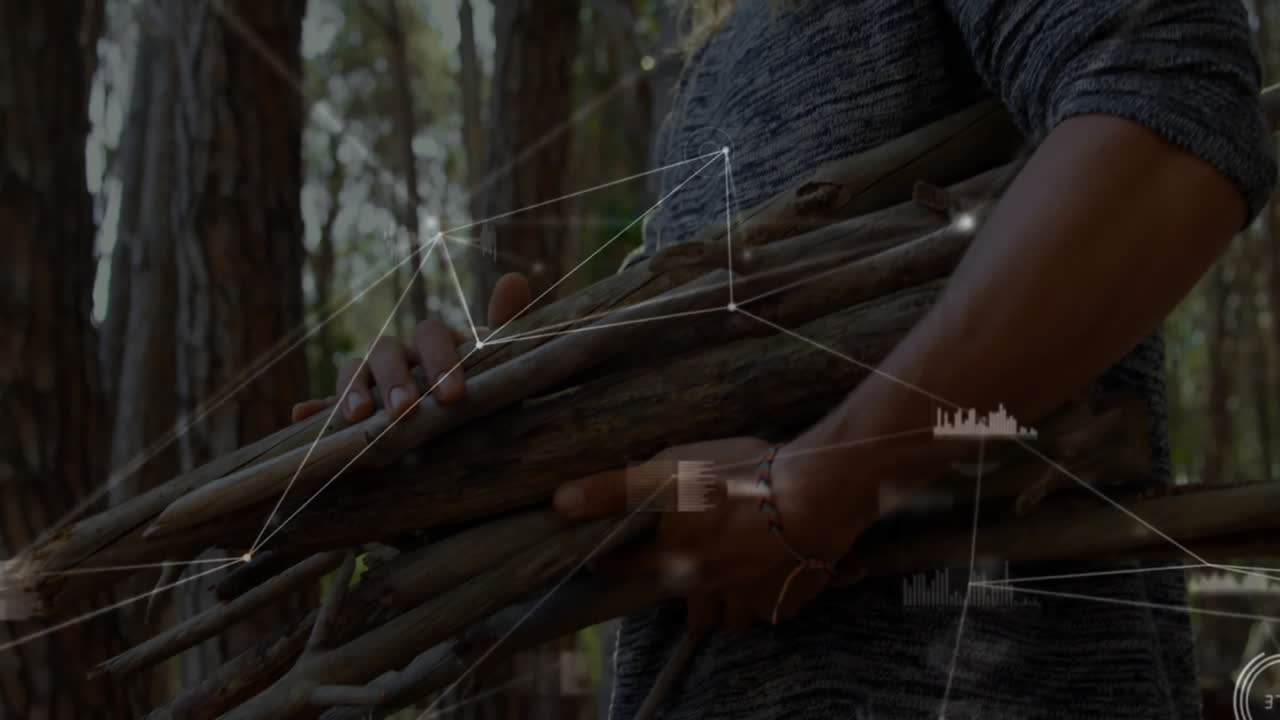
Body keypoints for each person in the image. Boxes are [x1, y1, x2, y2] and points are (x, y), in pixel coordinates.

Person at [295, 0, 1277, 717]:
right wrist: (468, 451)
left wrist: (816, 490)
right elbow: (688, 483)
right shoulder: (716, 54)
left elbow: (1171, 127)